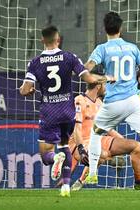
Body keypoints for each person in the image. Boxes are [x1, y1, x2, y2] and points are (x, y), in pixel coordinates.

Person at [19, 25, 106, 197]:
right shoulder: (69, 57)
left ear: (42, 40)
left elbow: (24, 90)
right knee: (65, 146)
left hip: (49, 113)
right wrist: (106, 78)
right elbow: (88, 77)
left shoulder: (35, 62)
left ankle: (54, 159)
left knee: (46, 156)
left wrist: (28, 90)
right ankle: (66, 186)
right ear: (58, 39)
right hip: (67, 111)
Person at [83, 12, 140, 185]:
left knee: (95, 134)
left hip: (113, 103)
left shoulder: (102, 49)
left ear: (105, 29)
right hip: (133, 102)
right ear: (120, 28)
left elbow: (86, 70)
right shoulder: (132, 48)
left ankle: (92, 173)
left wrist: (103, 78)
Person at [66, 82, 140, 190]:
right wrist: (81, 148)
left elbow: (108, 129)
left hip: (99, 139)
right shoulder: (79, 100)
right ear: (98, 86)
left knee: (135, 146)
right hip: (80, 142)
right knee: (102, 154)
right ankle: (79, 178)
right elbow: (77, 129)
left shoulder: (100, 103)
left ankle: (139, 181)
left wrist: (124, 141)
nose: (107, 87)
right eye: (105, 84)